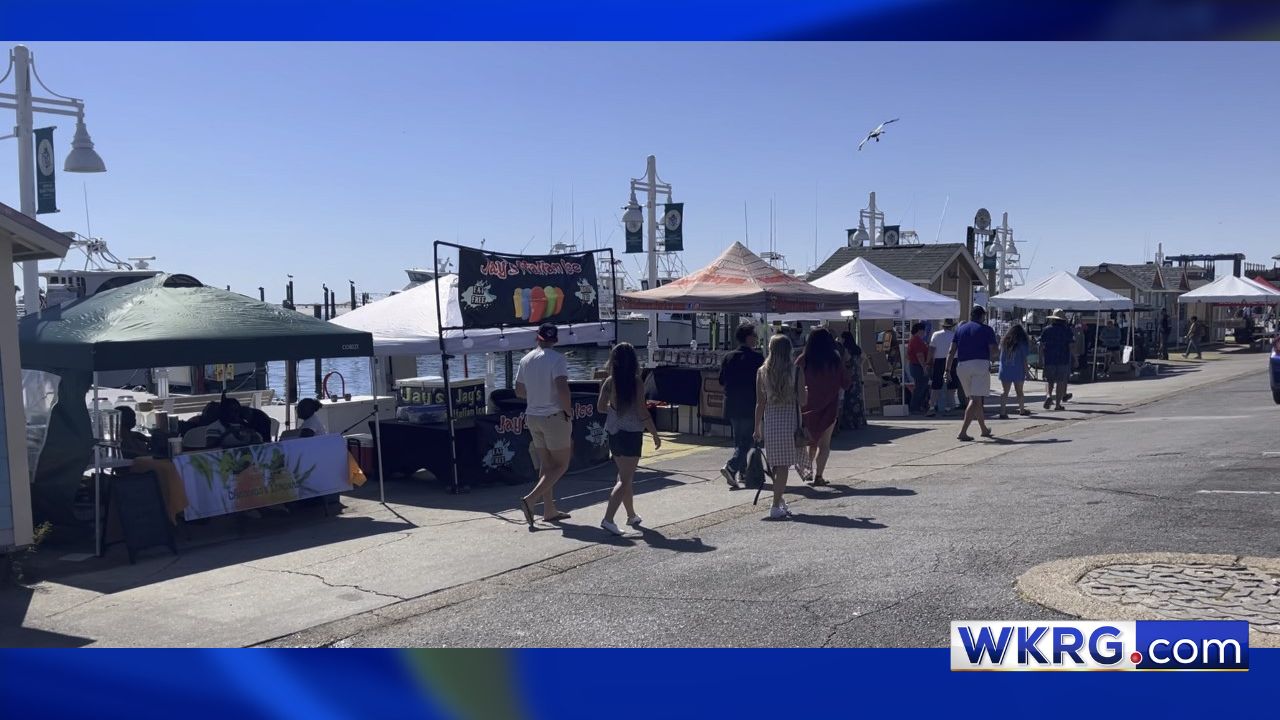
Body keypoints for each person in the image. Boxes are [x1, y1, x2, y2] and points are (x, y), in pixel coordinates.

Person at [596, 342, 661, 536]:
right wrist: (655, 433)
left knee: (624, 475)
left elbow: (600, 407)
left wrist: (615, 413)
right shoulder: (636, 381)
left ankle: (631, 514)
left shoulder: (609, 381)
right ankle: (608, 519)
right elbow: (642, 411)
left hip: (614, 431)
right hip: (632, 433)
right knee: (625, 479)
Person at [516, 323, 573, 526]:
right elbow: (562, 389)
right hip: (554, 415)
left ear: (537, 337)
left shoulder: (525, 359)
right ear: (555, 340)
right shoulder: (557, 359)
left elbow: (519, 391)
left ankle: (549, 510)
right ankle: (531, 499)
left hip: (533, 416)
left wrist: (536, 393)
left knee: (546, 465)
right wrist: (568, 411)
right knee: (561, 465)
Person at [754, 334, 806, 519]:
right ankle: (775, 504)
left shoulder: (762, 372)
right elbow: (803, 400)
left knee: (776, 464)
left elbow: (760, 402)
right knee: (783, 466)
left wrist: (757, 428)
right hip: (789, 420)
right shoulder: (796, 371)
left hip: (771, 421)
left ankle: (779, 499)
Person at [797, 328, 851, 486]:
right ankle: (819, 476)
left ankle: (808, 471)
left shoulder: (804, 359)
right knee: (825, 444)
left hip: (807, 405)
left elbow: (793, 377)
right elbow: (846, 382)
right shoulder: (835, 359)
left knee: (811, 441)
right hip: (830, 406)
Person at [718, 323, 764, 489]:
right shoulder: (757, 358)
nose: (757, 339)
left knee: (739, 439)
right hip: (750, 403)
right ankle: (731, 467)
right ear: (749, 337)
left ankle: (742, 472)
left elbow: (721, 380)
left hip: (731, 403)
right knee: (747, 440)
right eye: (755, 336)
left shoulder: (728, 357)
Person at [946, 305, 998, 442]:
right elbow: (993, 350)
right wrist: (993, 359)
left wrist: (947, 369)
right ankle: (963, 431)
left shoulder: (960, 329)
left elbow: (951, 351)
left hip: (962, 366)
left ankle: (984, 429)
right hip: (979, 364)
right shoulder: (987, 329)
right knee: (975, 400)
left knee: (975, 398)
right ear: (982, 316)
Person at [1038, 310, 1075, 411]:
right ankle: (1058, 405)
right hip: (1063, 359)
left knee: (1049, 381)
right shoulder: (1067, 330)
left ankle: (1048, 396)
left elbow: (1041, 345)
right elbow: (1071, 346)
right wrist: (1075, 358)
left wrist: (1040, 358)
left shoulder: (1046, 330)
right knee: (1060, 382)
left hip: (1049, 359)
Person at [997, 323, 1032, 419]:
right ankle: (1022, 410)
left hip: (1005, 370)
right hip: (1018, 370)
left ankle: (1002, 411)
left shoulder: (1004, 342)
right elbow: (1024, 360)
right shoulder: (1022, 344)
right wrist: (1027, 372)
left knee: (1005, 392)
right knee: (1019, 391)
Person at [927, 319, 956, 417]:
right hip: (953, 360)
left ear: (942, 326)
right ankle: (949, 406)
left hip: (939, 360)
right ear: (952, 326)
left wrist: (928, 362)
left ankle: (931, 407)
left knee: (936, 385)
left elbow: (931, 349)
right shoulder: (954, 335)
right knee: (951, 385)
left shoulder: (936, 334)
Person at [838, 331, 866, 431]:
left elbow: (846, 360)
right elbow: (864, 357)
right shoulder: (857, 349)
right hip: (857, 376)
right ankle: (858, 421)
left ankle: (849, 422)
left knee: (848, 400)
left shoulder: (845, 349)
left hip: (849, 375)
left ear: (844, 338)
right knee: (857, 399)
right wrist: (858, 365)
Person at [906, 322, 931, 414]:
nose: (924, 332)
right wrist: (924, 367)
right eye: (923, 330)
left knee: (921, 387)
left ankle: (918, 406)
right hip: (917, 366)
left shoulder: (915, 340)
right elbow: (919, 355)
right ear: (920, 330)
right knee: (920, 387)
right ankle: (915, 407)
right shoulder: (916, 340)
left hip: (916, 366)